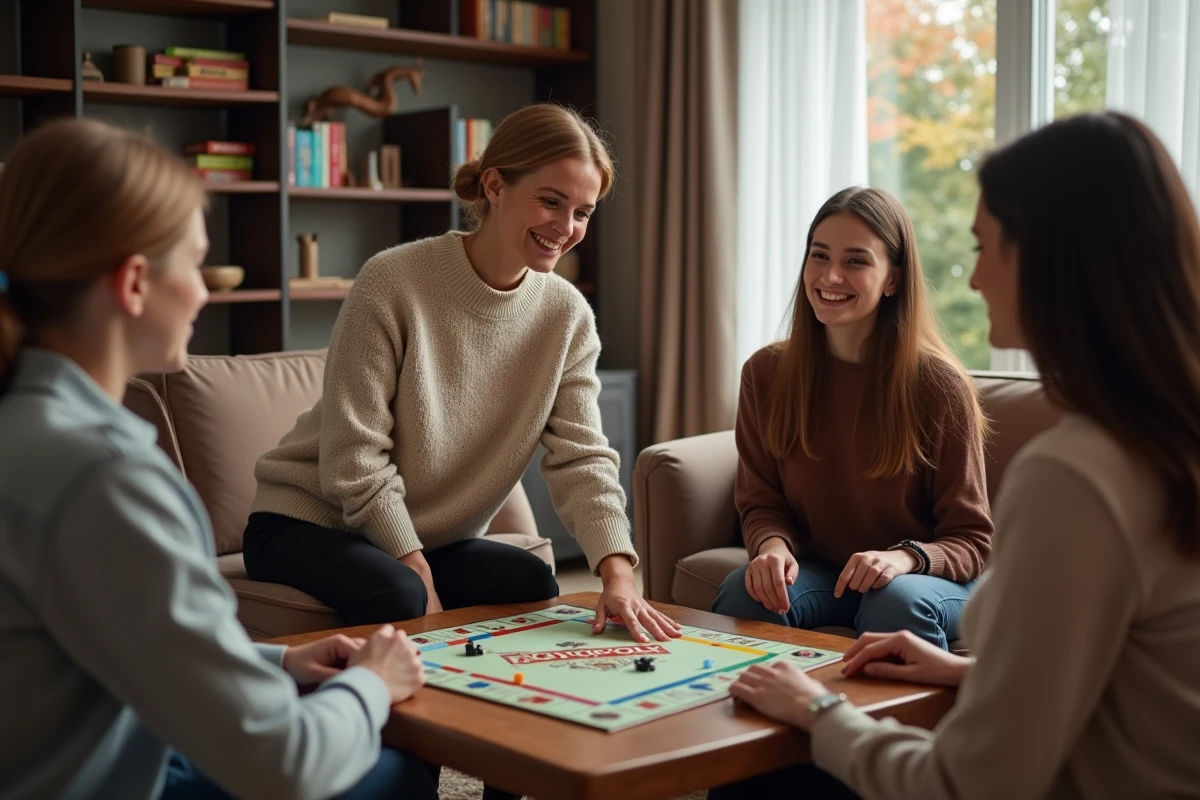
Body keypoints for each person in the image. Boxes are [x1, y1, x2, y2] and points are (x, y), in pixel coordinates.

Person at [717, 112, 1200, 799]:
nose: (972, 280)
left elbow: (970, 782)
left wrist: (817, 711)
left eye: (983, 246)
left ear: (1049, 260)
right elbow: (1125, 677)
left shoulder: (1074, 473)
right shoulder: (1157, 438)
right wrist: (961, 673)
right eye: (819, 255)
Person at [0, 119, 436, 800]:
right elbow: (282, 764)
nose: (207, 292)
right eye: (196, 266)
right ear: (135, 282)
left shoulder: (26, 428)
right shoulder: (106, 478)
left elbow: (94, 636)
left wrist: (279, 660)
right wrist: (371, 684)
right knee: (392, 767)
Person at [242, 103, 680, 644]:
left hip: (429, 537)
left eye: (583, 212)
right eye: (550, 201)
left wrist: (619, 575)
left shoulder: (567, 315)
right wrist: (414, 566)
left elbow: (581, 457)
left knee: (530, 580)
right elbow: (352, 458)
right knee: (400, 593)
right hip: (306, 522)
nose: (565, 228)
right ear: (495, 186)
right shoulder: (392, 280)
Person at [711, 187, 992, 650]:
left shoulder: (939, 385)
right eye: (819, 256)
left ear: (893, 280)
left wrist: (904, 559)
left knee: (894, 601)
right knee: (748, 590)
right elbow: (761, 503)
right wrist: (772, 549)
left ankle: (888, 725)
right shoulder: (765, 373)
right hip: (824, 573)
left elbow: (972, 540)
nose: (831, 276)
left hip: (920, 582)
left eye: (856, 261)